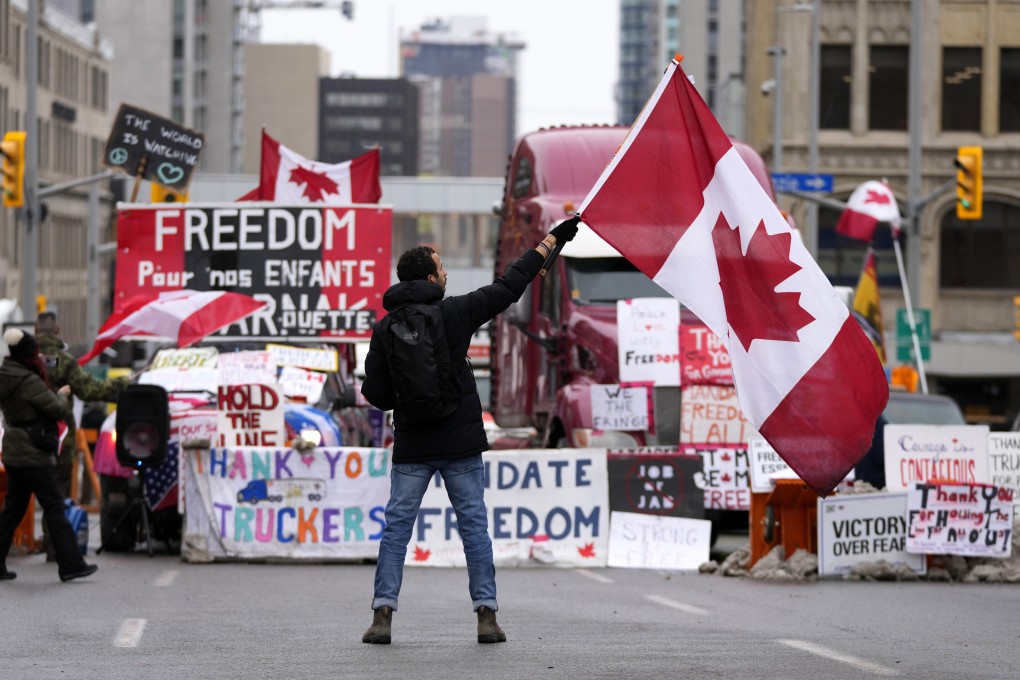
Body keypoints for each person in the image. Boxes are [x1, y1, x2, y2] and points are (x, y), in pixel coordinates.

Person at [360, 216, 580, 645]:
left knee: (397, 530)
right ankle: (486, 616)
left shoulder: (385, 328)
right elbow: (508, 286)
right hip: (459, 443)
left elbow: (378, 394)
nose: (446, 275)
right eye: (442, 270)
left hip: (412, 446)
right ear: (430, 278)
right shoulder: (454, 312)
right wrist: (552, 241)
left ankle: (382, 615)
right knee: (474, 528)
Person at [0, 328, 99, 582]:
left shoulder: (5, 375)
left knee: (13, 508)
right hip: (32, 452)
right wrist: (62, 395)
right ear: (27, 354)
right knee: (54, 504)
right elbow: (56, 410)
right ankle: (70, 564)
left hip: (13, 448)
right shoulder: (29, 380)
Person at [35, 311, 128, 560]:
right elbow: (88, 389)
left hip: (26, 436)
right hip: (58, 436)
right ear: (58, 330)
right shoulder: (64, 361)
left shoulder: (25, 359)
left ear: (35, 331)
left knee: (19, 497)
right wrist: (121, 386)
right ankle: (55, 548)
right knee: (58, 494)